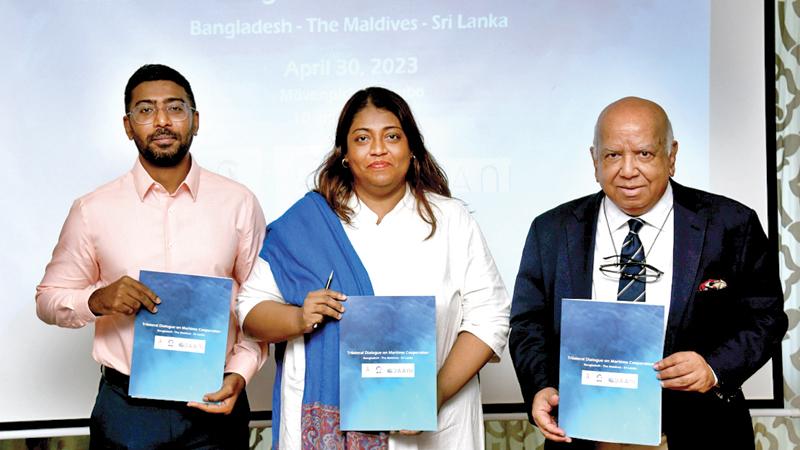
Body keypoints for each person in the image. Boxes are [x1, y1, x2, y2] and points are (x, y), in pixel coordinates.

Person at [236, 86, 511, 449]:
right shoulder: (306, 223)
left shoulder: (452, 220)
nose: (378, 149)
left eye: (392, 136)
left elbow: (489, 318)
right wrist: (299, 318)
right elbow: (250, 312)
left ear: (412, 148)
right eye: (362, 138)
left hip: (434, 425)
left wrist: (435, 393)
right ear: (345, 154)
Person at [509, 96, 788, 450]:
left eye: (644, 154)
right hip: (583, 436)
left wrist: (713, 368)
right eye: (612, 155)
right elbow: (528, 324)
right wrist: (541, 385)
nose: (627, 170)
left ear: (671, 156)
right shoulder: (552, 230)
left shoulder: (731, 224)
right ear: (594, 160)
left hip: (702, 432)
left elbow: (765, 317)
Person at [36, 64, 266, 449]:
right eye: (145, 110)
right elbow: (47, 299)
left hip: (215, 402)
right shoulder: (93, 209)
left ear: (196, 120)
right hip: (127, 410)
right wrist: (96, 300)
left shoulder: (238, 203)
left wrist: (239, 373)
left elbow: (258, 305)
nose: (161, 121)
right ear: (128, 126)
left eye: (175, 108)